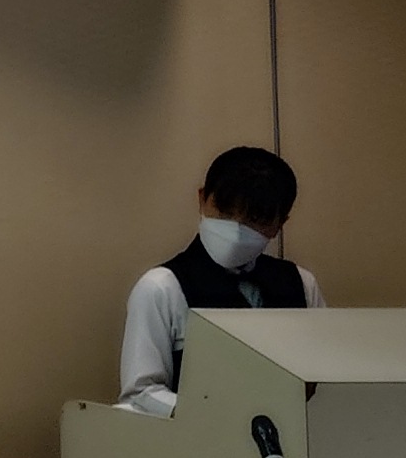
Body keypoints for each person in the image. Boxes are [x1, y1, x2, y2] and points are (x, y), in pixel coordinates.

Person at [116, 144, 322, 415]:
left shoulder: (302, 284)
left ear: (279, 224)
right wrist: (213, 416)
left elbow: (322, 378)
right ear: (202, 199)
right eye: (224, 211)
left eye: (256, 219)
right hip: (196, 435)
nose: (236, 229)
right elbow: (141, 393)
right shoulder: (161, 287)